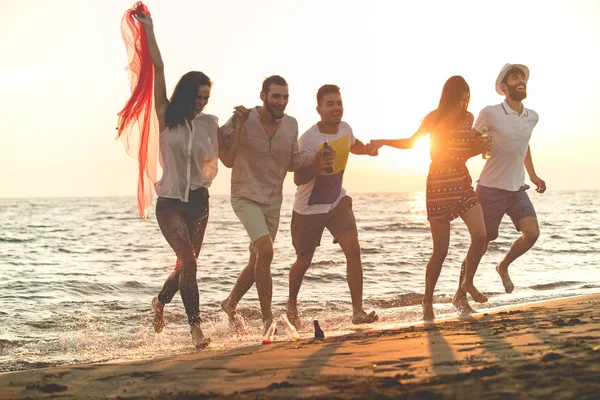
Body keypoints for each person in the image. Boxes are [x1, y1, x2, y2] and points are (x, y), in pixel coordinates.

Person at [118, 5, 242, 348]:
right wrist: (149, 29)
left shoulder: (210, 123)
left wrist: (240, 123)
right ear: (188, 93)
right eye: (199, 97)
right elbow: (157, 66)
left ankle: (160, 301)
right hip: (170, 204)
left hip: (199, 204)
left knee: (189, 265)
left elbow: (227, 154)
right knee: (188, 261)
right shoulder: (165, 115)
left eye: (207, 98)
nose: (203, 103)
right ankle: (195, 330)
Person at [219, 76, 332, 334]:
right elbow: (219, 143)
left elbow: (291, 160)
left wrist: (315, 157)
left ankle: (230, 303)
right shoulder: (245, 118)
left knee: (257, 259)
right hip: (245, 195)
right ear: (263, 96)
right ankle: (267, 319)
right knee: (266, 252)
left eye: (285, 97)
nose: (281, 102)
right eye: (276, 97)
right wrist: (233, 123)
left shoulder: (290, 124)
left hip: (272, 200)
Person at [370, 76, 488, 321]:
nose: (464, 103)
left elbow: (468, 149)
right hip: (438, 184)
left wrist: (483, 145)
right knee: (440, 251)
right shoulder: (433, 118)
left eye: (467, 98)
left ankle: (466, 285)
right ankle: (427, 301)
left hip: (462, 180)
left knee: (481, 235)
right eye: (460, 98)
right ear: (449, 97)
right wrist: (384, 142)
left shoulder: (469, 118)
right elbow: (412, 142)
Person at [286, 85, 379, 328]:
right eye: (330, 104)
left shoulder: (345, 128)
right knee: (303, 261)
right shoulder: (309, 139)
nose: (336, 108)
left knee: (354, 251)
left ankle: (357, 311)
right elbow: (297, 178)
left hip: (337, 201)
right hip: (309, 208)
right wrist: (316, 166)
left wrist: (367, 151)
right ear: (319, 109)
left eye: (339, 103)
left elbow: (353, 143)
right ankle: (291, 306)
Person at [453, 63, 546, 305]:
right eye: (514, 77)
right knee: (481, 242)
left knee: (532, 233)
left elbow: (523, 146)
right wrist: (479, 145)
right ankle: (460, 293)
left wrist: (533, 176)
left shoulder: (531, 117)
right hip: (491, 188)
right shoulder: (490, 112)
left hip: (517, 189)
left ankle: (503, 265)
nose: (520, 80)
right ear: (504, 87)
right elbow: (470, 141)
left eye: (522, 77)